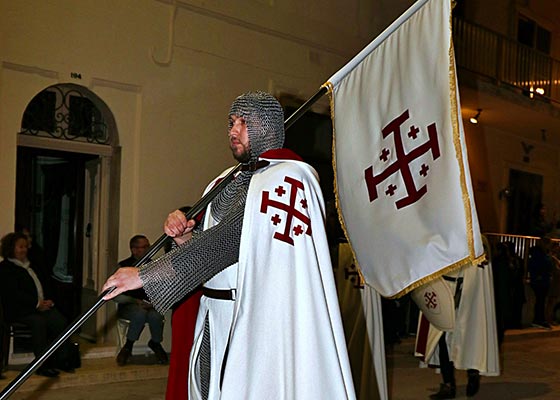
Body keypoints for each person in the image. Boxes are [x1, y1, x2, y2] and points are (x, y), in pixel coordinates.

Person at [103, 91, 355, 399]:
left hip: (256, 319)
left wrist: (144, 275)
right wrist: (185, 238)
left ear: (266, 127)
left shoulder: (289, 178)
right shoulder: (225, 181)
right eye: (231, 122)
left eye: (244, 123)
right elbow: (218, 245)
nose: (233, 131)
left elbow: (229, 240)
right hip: (212, 315)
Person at [0, 232, 77, 377]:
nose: (24, 250)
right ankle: (42, 365)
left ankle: (63, 360)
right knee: (39, 322)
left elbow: (44, 285)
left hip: (38, 307)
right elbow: (14, 295)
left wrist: (49, 300)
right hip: (20, 311)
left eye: (25, 246)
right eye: (20, 247)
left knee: (60, 321)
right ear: (11, 249)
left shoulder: (31, 265)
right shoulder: (5, 269)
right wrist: (37, 304)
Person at [113, 235, 168, 366]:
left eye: (148, 246)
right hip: (129, 305)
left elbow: (160, 289)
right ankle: (128, 346)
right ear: (134, 250)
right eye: (145, 247)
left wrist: (153, 302)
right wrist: (135, 301)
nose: (148, 249)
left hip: (149, 305)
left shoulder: (153, 265)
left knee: (156, 315)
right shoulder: (123, 267)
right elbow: (116, 295)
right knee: (140, 313)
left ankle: (155, 343)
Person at [527, 239, 553, 329]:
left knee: (540, 301)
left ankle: (539, 319)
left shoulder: (535, 257)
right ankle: (539, 319)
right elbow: (547, 266)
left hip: (539, 281)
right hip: (541, 282)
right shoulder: (542, 257)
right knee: (541, 301)